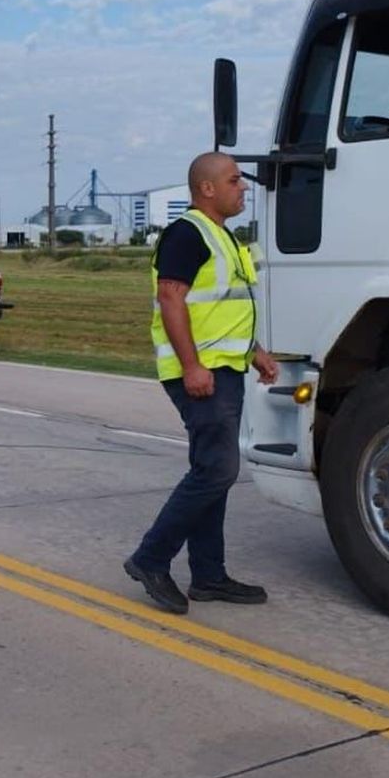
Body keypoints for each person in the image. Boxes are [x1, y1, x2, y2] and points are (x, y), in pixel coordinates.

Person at [124, 152, 278, 615]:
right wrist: (192, 367)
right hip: (201, 374)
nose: (243, 188)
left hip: (223, 369)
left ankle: (209, 576)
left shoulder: (222, 236)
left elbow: (222, 309)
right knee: (216, 471)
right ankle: (151, 558)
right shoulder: (187, 233)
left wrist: (255, 353)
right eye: (234, 181)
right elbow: (171, 299)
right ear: (207, 188)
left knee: (212, 471)